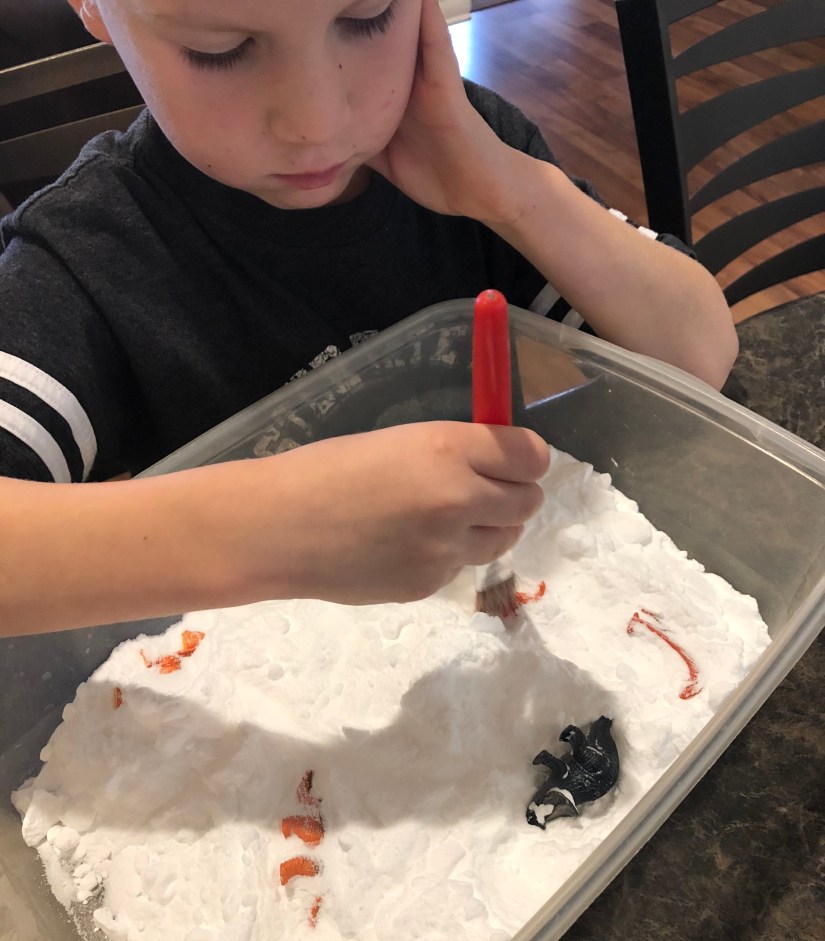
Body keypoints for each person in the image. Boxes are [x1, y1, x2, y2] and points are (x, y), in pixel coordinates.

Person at [0, 0, 738, 638]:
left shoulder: (470, 148)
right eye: (218, 50)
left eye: (368, 17)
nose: (317, 123)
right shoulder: (85, 259)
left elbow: (698, 355)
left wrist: (511, 193)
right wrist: (277, 530)